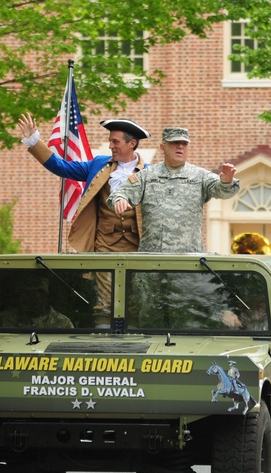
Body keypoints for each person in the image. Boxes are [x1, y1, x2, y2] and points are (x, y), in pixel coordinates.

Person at [18, 113, 151, 324]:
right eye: (110, 141)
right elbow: (62, 167)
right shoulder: (98, 165)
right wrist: (35, 141)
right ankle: (104, 342)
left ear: (132, 143)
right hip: (105, 245)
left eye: (115, 141)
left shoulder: (150, 173)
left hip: (138, 246)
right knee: (106, 304)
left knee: (134, 303)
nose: (111, 146)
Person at [109, 127, 240, 253]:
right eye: (174, 143)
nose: (180, 147)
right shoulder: (147, 175)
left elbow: (222, 191)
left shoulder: (200, 176)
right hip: (153, 260)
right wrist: (120, 199)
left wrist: (226, 182)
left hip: (188, 262)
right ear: (162, 147)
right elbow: (120, 193)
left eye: (184, 143)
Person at [0, 278, 73, 328]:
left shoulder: (62, 323)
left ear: (44, 297)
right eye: (23, 294)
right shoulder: (3, 319)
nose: (27, 299)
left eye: (32, 294)